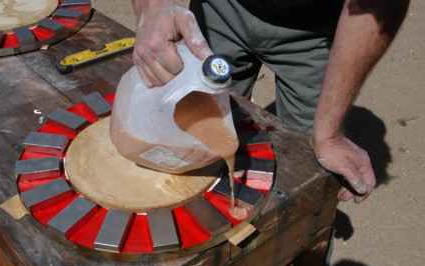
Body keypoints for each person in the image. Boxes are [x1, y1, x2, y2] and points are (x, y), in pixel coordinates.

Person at [130, 0, 409, 203]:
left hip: (315, 26)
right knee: (191, 133)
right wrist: (153, 8)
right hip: (219, 7)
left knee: (306, 169)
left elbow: (379, 4)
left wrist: (328, 134)